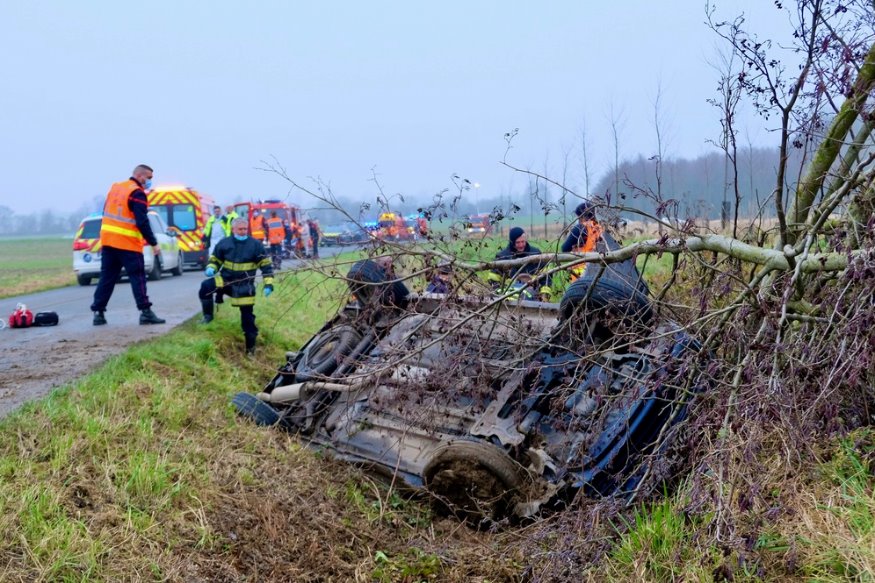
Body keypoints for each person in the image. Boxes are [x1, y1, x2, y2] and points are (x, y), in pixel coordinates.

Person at [90, 164, 165, 326]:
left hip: (109, 242)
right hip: (128, 244)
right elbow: (142, 221)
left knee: (107, 278)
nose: (150, 181)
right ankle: (145, 312)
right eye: (149, 178)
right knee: (138, 277)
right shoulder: (137, 193)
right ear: (140, 176)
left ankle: (98, 313)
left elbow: (106, 213)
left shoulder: (116, 188)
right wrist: (153, 243)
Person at [198, 218, 274, 355]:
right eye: (240, 229)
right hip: (226, 281)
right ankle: (208, 316)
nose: (243, 231)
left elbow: (266, 266)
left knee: (247, 319)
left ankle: (250, 350)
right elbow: (215, 260)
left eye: (245, 229)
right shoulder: (224, 243)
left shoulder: (256, 245)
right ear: (233, 229)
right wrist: (211, 268)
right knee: (205, 287)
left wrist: (268, 284)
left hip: (245, 286)